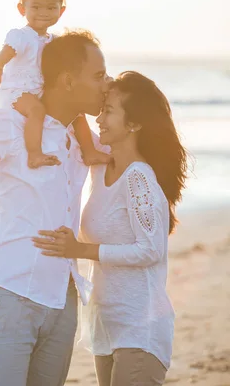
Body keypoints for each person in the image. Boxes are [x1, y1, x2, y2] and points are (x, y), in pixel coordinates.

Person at [0, 29, 111, 386]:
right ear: (68, 81)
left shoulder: (80, 138)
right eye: (99, 76)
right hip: (7, 294)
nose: (106, 84)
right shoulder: (11, 123)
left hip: (62, 300)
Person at [33, 71, 188, 386]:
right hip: (106, 326)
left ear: (134, 124)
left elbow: (150, 250)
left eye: (110, 111)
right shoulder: (100, 168)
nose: (99, 118)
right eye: (101, 109)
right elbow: (73, 117)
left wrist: (81, 250)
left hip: (141, 327)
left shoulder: (138, 177)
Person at [0, 0, 109, 168]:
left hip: (39, 91)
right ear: (21, 8)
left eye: (51, 8)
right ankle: (35, 154)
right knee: (37, 110)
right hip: (18, 92)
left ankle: (90, 151)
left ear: (61, 11)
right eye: (35, 7)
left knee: (77, 113)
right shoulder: (21, 36)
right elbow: (3, 57)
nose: (43, 13)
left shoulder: (53, 41)